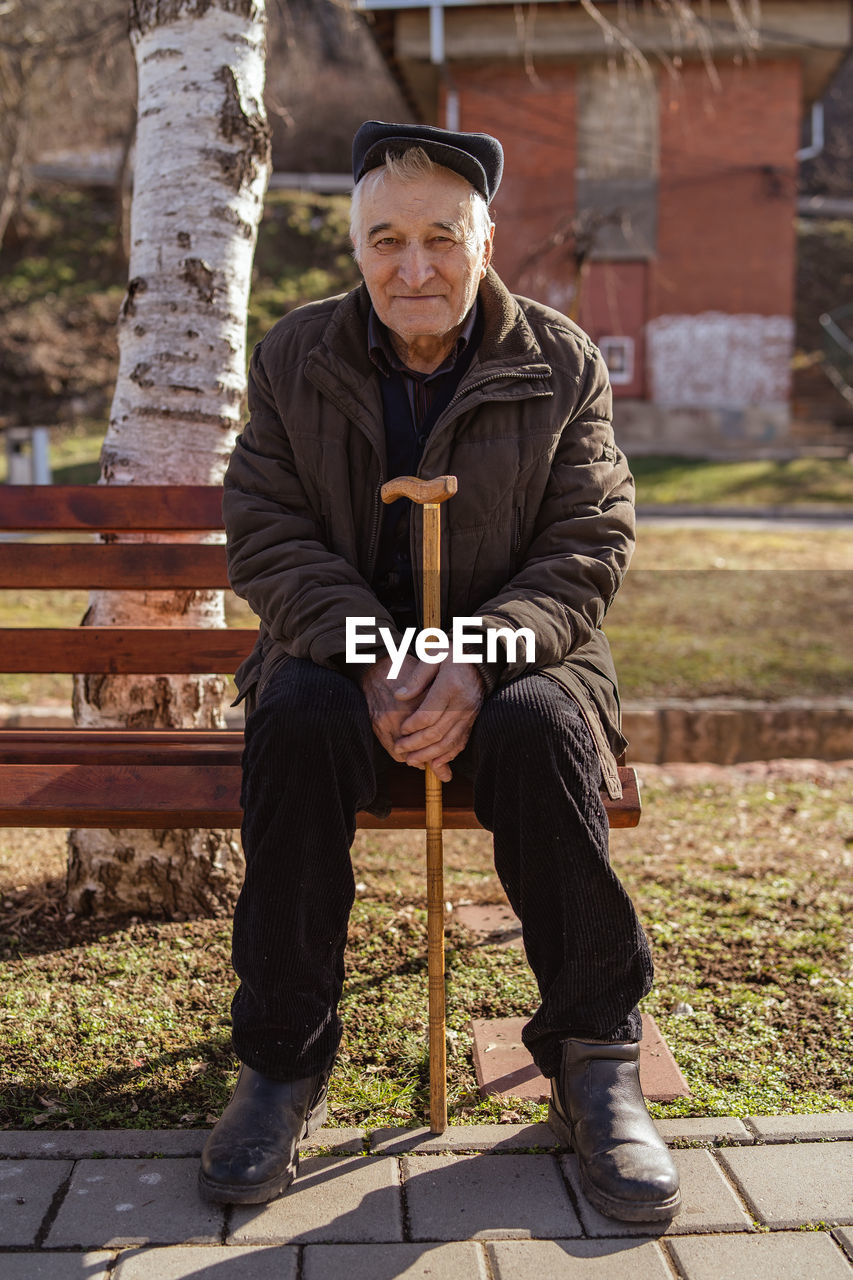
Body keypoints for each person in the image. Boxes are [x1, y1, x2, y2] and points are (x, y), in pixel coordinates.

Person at [200, 120, 681, 1223]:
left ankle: (594, 1058)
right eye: (385, 240)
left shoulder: (558, 360)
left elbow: (588, 544)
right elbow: (266, 531)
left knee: (541, 731)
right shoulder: (293, 357)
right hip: (340, 654)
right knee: (297, 719)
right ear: (354, 246)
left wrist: (472, 651)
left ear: (486, 239)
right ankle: (280, 1059)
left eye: (440, 238)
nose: (412, 268)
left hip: (522, 654)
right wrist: (374, 651)